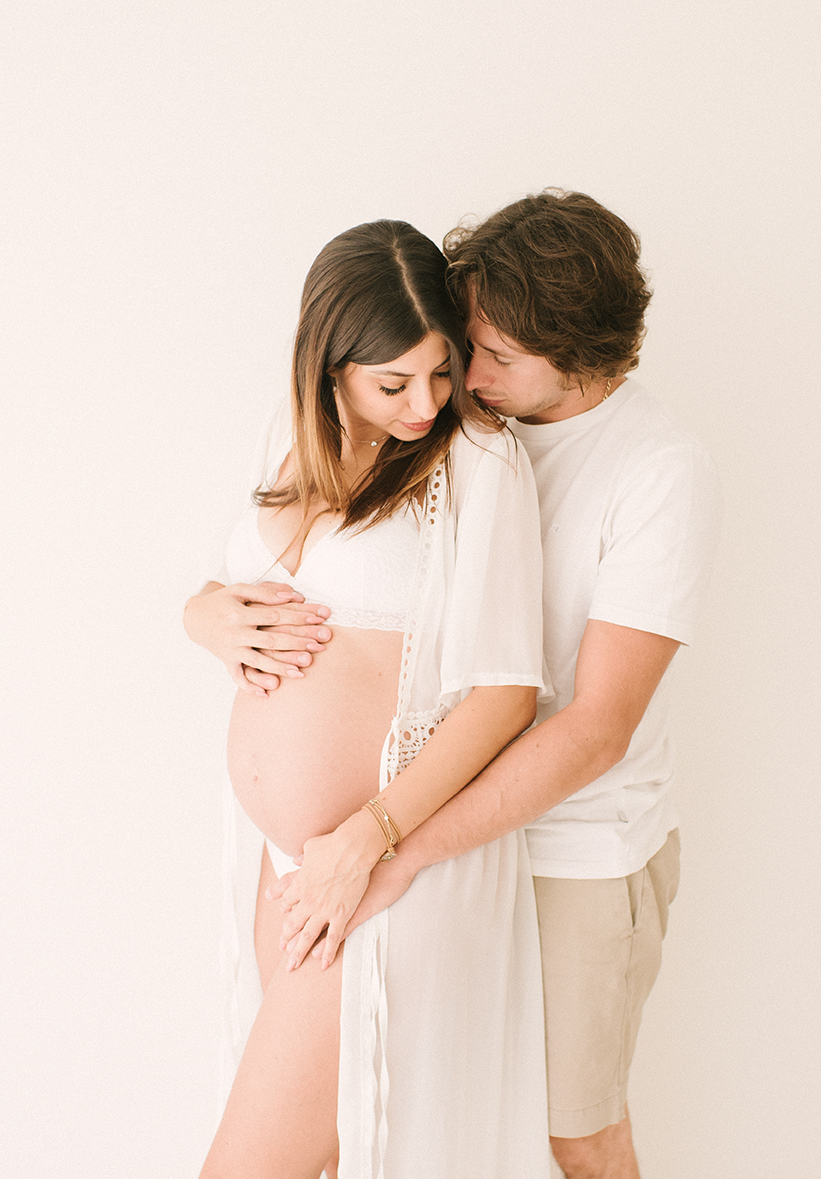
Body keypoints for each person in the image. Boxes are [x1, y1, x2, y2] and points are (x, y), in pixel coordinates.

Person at [256, 191, 719, 1179]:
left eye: (497, 357)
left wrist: (389, 844)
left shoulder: (655, 472)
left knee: (571, 1131)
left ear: (588, 362)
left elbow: (593, 725)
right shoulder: (451, 418)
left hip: (568, 849)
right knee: (399, 1115)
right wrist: (210, 614)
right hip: (426, 838)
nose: (463, 374)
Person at [184, 220, 557, 1179]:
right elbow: (237, 587)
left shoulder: (477, 461)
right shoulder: (288, 436)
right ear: (330, 364)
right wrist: (204, 614)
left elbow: (507, 692)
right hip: (280, 863)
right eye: (393, 383)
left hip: (379, 868)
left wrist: (371, 833)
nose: (426, 403)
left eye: (439, 373)